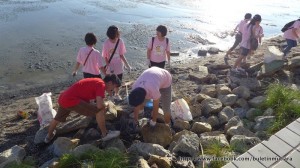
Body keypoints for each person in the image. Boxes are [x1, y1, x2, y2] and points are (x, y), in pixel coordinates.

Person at [44, 75, 121, 143]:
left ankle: (48, 136)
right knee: (100, 111)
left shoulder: (97, 81)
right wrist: (106, 104)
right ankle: (105, 134)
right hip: (72, 100)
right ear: (110, 83)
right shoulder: (101, 85)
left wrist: (99, 103)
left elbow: (89, 99)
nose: (113, 90)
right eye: (114, 87)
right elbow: (99, 106)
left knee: (57, 118)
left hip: (63, 98)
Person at [102, 25, 131, 100]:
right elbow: (105, 56)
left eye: (114, 38)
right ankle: (111, 95)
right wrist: (108, 65)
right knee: (109, 83)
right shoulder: (106, 43)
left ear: (117, 35)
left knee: (117, 82)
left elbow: (121, 55)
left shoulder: (120, 41)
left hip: (119, 66)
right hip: (110, 66)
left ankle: (116, 94)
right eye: (110, 39)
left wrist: (127, 65)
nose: (112, 40)